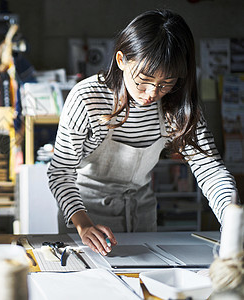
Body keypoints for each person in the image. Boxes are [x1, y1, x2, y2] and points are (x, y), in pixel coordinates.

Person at [47, 9, 239, 256]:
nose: (151, 93)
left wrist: (232, 220)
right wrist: (83, 225)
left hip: (143, 217)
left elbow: (210, 168)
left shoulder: (177, 105)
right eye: (143, 80)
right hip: (87, 219)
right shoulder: (87, 98)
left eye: (165, 84)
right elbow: (60, 172)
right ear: (121, 60)